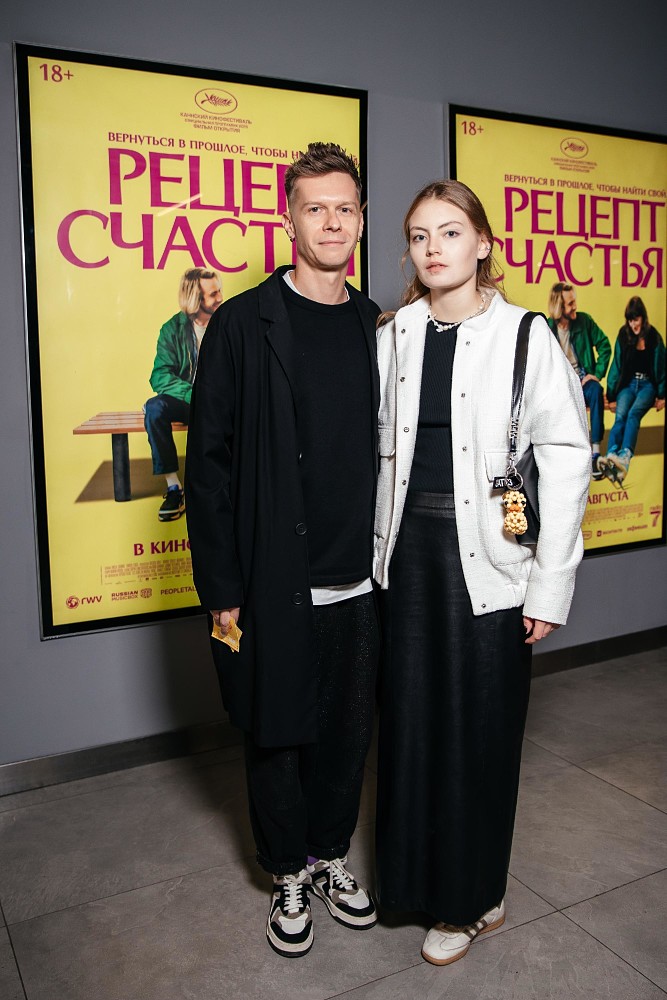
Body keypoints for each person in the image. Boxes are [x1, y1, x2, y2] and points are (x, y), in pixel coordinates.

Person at [373, 180, 590, 967]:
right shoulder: (393, 333)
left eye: (450, 232)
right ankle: (410, 881)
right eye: (419, 235)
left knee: (477, 734)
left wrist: (549, 584)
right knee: (407, 726)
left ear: (483, 243)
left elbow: (566, 459)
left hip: (491, 562)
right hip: (404, 559)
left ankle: (468, 902)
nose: (433, 248)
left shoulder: (524, 334)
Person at [185, 143, 380, 958]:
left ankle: (329, 854)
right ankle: (286, 870)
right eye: (315, 208)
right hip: (271, 579)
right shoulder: (243, 323)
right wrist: (222, 586)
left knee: (346, 735)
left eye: (344, 208)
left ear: (360, 220)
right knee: (275, 733)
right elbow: (208, 466)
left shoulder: (379, 324)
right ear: (288, 219)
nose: (331, 223)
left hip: (362, 581)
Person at [144, 267, 222, 521]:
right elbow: (160, 375)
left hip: (221, 402)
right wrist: (195, 395)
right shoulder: (172, 329)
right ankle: (173, 487)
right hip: (188, 401)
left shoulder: (228, 323)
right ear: (195, 299)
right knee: (154, 408)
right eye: (213, 294)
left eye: (219, 291)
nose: (220, 297)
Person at [547, 282, 611, 480]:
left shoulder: (584, 321)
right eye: (570, 303)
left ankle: (595, 452)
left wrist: (596, 374)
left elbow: (605, 345)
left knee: (596, 390)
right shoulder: (547, 327)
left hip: (583, 380)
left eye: (574, 301)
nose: (575, 306)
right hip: (561, 385)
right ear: (559, 306)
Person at [599, 296, 665, 483]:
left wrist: (662, 394)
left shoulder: (654, 337)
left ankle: (625, 458)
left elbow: (661, 367)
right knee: (621, 415)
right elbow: (617, 365)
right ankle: (611, 455)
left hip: (647, 386)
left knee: (633, 414)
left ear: (643, 318)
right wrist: (611, 395)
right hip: (628, 385)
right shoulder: (624, 334)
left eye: (636, 319)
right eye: (630, 320)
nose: (633, 324)